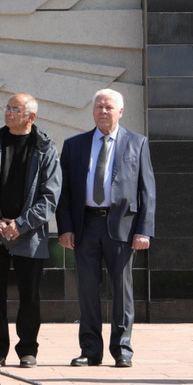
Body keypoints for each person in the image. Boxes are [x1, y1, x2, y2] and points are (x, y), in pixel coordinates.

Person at [56, 88, 155, 368]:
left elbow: (148, 190)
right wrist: (65, 227)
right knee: (87, 290)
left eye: (109, 107)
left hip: (122, 227)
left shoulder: (137, 143)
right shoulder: (75, 145)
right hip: (85, 225)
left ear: (120, 111)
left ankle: (122, 349)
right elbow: (64, 192)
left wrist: (144, 230)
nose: (103, 111)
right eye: (98, 106)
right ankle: (90, 350)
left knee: (122, 291)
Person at [0, 93, 61, 368]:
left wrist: (21, 224)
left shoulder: (45, 149)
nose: (8, 113)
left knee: (29, 295)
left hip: (28, 235)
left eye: (15, 109)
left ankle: (28, 350)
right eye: (7, 108)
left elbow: (50, 197)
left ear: (31, 117)